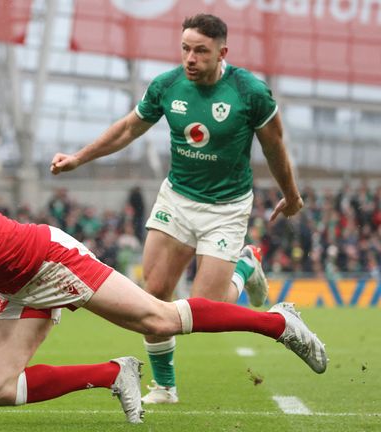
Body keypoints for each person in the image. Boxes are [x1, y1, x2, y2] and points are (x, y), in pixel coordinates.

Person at [0, 183, 326, 425]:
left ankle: (277, 321)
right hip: (16, 283)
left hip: (49, 259)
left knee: (160, 316)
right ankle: (115, 374)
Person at [50, 13, 304, 404]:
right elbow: (128, 128)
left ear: (223, 52)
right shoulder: (167, 86)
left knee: (206, 311)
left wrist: (291, 193)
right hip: (178, 199)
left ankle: (246, 264)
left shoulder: (250, 91)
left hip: (226, 207)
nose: (190, 58)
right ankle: (165, 387)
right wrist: (80, 158)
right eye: (185, 48)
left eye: (200, 51)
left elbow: (274, 145)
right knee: (154, 295)